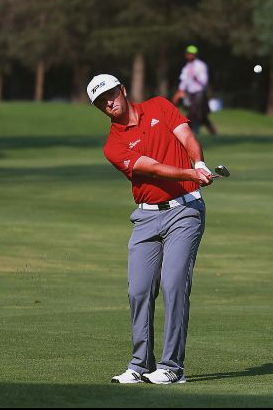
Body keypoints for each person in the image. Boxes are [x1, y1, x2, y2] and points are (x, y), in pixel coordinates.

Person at [87, 73, 212, 385]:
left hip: (185, 211)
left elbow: (187, 136)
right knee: (139, 290)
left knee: (173, 285)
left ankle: (172, 367)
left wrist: (197, 163)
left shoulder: (160, 106)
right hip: (145, 218)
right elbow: (151, 168)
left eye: (111, 95)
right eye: (101, 102)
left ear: (123, 90)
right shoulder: (113, 145)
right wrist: (188, 172)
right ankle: (141, 365)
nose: (109, 103)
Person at [172, 45, 216, 135]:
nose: (189, 56)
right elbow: (183, 81)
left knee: (193, 111)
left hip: (199, 92)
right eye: (188, 54)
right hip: (190, 93)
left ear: (195, 55)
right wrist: (179, 92)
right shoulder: (186, 67)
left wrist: (197, 78)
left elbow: (204, 81)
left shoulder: (200, 65)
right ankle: (213, 132)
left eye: (191, 54)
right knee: (201, 115)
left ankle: (188, 130)